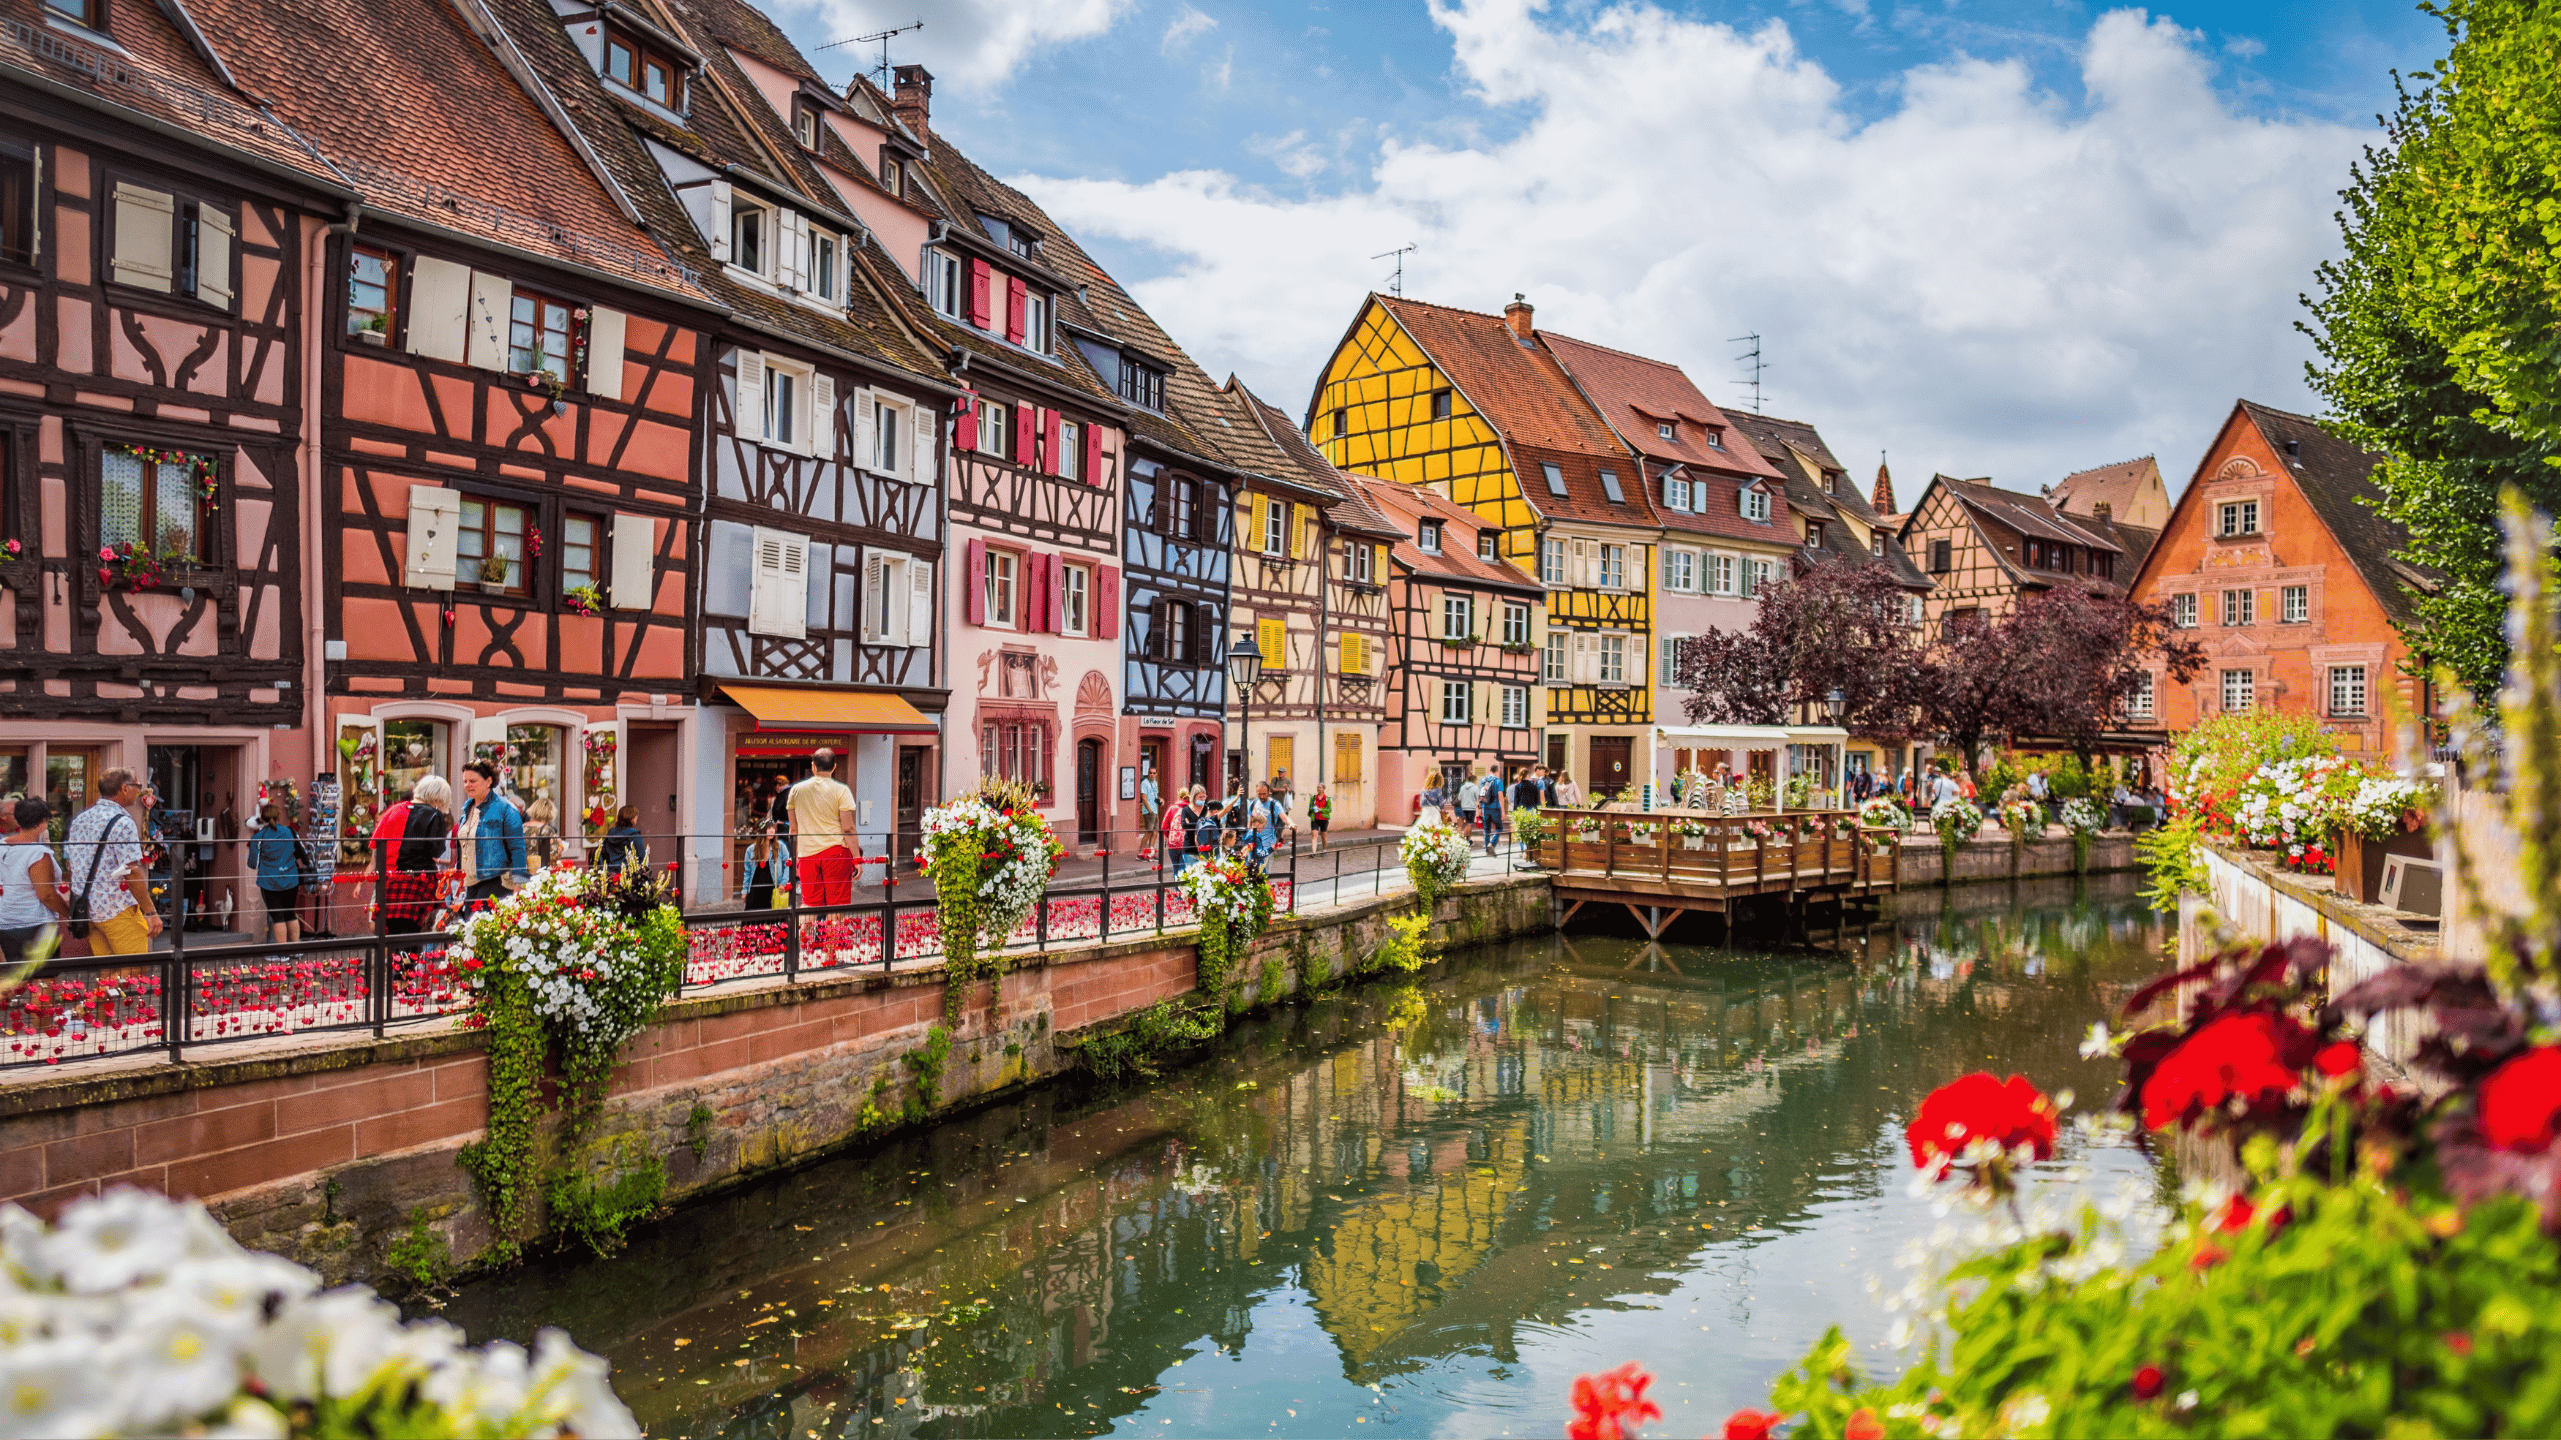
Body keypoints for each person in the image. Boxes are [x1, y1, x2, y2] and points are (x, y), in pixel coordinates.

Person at [65, 769, 157, 956]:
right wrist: (150, 912)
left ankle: (106, 988)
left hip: (88, 906)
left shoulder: (80, 819)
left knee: (107, 969)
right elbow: (130, 871)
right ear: (124, 789)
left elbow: (70, 864)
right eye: (137, 786)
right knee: (137, 968)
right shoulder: (123, 822)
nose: (138, 791)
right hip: (117, 906)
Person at [374, 776, 452, 936]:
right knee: (415, 933)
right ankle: (410, 961)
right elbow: (436, 850)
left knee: (392, 933)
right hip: (418, 881)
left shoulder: (394, 810)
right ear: (438, 796)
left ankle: (395, 960)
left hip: (388, 880)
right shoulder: (434, 815)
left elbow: (376, 844)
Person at [0, 799, 69, 964]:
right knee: (44, 980)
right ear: (43, 822)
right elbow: (46, 895)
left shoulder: (2, 845)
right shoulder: (38, 853)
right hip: (35, 923)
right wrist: (69, 914)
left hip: (6, 921)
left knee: (16, 979)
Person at [788, 748, 857, 909]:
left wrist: (796, 857)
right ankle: (832, 935)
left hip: (807, 854)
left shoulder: (796, 790)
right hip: (835, 852)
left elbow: (793, 829)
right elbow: (848, 828)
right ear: (834, 767)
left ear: (813, 766)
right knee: (836, 905)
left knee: (809, 904)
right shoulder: (842, 790)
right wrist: (856, 858)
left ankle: (798, 934)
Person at [456, 761, 527, 909]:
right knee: (471, 928)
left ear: (488, 781)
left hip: (496, 881)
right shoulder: (467, 809)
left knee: (482, 927)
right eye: (465, 781)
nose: (467, 785)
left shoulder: (506, 808)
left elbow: (517, 848)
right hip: (471, 882)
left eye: (473, 781)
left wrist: (519, 883)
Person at [249, 803, 304, 946]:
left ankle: (283, 953)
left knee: (278, 917)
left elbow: (252, 864)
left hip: (270, 882)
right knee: (290, 913)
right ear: (279, 816)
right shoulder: (290, 832)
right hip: (291, 879)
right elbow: (300, 852)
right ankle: (296, 949)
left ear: (262, 818)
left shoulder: (258, 838)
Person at [1242, 782, 1285, 870]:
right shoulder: (1253, 803)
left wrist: (1291, 824)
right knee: (1253, 871)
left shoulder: (1274, 804)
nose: (1261, 796)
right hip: (1254, 843)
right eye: (1259, 794)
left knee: (1265, 872)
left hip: (1268, 842)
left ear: (1269, 791)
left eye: (1264, 794)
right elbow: (1249, 821)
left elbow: (1284, 818)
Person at [741, 812, 779, 910]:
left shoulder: (780, 847)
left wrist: (783, 883)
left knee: (771, 919)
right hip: (755, 888)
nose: (772, 831)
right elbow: (748, 872)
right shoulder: (751, 849)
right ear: (762, 830)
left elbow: (787, 866)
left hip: (772, 888)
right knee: (752, 919)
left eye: (773, 828)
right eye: (769, 828)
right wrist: (745, 891)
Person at [598, 805, 647, 875]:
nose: (637, 818)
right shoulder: (633, 834)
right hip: (628, 873)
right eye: (636, 816)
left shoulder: (611, 832)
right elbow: (642, 855)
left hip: (611, 872)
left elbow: (605, 851)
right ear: (631, 818)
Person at [523, 797, 562, 872]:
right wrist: (560, 846)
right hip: (539, 873)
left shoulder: (522, 827)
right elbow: (553, 856)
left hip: (522, 871)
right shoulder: (547, 830)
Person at [1168, 787, 1201, 875]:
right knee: (1184, 868)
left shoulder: (1172, 808)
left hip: (1173, 843)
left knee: (1175, 868)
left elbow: (1164, 826)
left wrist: (1170, 837)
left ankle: (1177, 888)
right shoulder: (1192, 809)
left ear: (1179, 796)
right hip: (1186, 843)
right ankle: (1182, 888)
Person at [1477, 769, 1506, 853]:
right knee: (1499, 828)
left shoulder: (1483, 780)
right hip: (1495, 808)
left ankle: (1487, 850)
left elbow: (1481, 795)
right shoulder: (1498, 781)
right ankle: (1492, 844)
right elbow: (1500, 796)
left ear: (1490, 771)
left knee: (1487, 830)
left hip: (1485, 807)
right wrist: (1503, 810)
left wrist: (1480, 808)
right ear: (1497, 771)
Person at [1138, 766, 1161, 859]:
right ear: (1148, 774)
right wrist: (1150, 810)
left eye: (1154, 773)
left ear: (1156, 774)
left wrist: (1160, 801)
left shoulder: (1155, 783)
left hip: (1155, 810)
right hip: (1148, 811)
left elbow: (1155, 796)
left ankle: (1151, 853)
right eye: (1150, 773)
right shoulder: (1144, 783)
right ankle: (1140, 853)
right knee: (1148, 832)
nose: (1152, 775)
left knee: (1155, 833)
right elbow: (1144, 798)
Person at [1307, 785, 1331, 852]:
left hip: (1324, 819)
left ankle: (1324, 849)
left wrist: (1320, 810)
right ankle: (1313, 851)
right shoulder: (1313, 798)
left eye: (1320, 787)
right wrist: (1313, 808)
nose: (1318, 789)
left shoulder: (1327, 798)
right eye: (1317, 787)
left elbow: (1329, 810)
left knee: (1323, 835)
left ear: (1323, 789)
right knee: (1314, 834)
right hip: (1315, 819)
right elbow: (1310, 807)